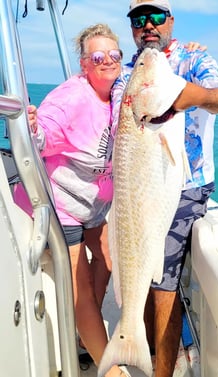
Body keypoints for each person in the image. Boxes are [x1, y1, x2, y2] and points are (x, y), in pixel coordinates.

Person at [111, 1, 218, 377]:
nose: (147, 25)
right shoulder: (126, 73)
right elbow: (122, 114)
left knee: (163, 282)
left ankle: (161, 370)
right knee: (137, 266)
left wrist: (191, 96)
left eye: (156, 17)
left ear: (171, 21)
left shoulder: (194, 57)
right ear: (132, 27)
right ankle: (140, 343)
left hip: (187, 184)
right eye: (138, 19)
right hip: (137, 182)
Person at [14, 23, 131, 377]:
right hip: (62, 203)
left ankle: (86, 329)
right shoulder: (71, 98)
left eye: (114, 55)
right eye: (98, 56)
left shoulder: (118, 90)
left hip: (94, 205)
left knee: (109, 258)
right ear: (84, 64)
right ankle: (108, 367)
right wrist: (32, 126)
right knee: (78, 284)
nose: (107, 61)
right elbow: (42, 135)